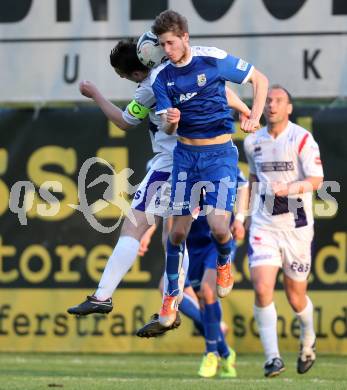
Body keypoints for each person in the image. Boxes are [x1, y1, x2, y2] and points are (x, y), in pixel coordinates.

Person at [67, 37, 251, 316]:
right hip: (202, 161)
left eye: (124, 75)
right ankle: (170, 307)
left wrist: (96, 95)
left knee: (135, 226)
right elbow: (221, 91)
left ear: (139, 71)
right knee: (174, 234)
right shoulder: (187, 71)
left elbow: (124, 121)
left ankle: (104, 296)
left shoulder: (151, 85)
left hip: (171, 164)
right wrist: (245, 110)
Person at [150, 10, 268, 327]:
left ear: (185, 37)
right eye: (162, 45)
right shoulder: (161, 77)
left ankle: (225, 260)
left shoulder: (212, 59)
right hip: (186, 156)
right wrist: (170, 122)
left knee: (219, 228)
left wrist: (254, 116)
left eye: (171, 43)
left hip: (219, 156)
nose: (167, 50)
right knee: (175, 235)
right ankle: (171, 295)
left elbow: (260, 80)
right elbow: (168, 128)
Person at [137, 168, 249, 378]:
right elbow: (163, 204)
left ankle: (211, 353)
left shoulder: (218, 153)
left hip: (216, 240)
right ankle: (224, 349)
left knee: (207, 292)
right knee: (167, 288)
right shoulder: (173, 158)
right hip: (190, 243)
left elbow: (243, 185)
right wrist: (148, 232)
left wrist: (240, 219)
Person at [243, 85, 324, 377]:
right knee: (263, 287)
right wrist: (244, 217)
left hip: (297, 228)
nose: (272, 105)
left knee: (295, 297)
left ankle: (308, 338)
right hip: (265, 225)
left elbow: (316, 179)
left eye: (279, 101)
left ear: (289, 108)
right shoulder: (252, 142)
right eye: (268, 101)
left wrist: (288, 188)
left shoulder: (302, 139)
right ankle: (272, 358)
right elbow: (253, 178)